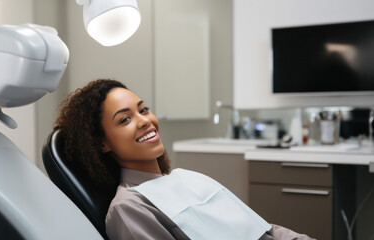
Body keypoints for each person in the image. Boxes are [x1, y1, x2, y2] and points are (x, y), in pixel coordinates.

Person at [54, 79, 314, 240]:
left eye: (143, 109)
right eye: (125, 119)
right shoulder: (129, 208)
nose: (145, 120)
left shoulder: (189, 178)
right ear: (102, 143)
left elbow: (263, 230)